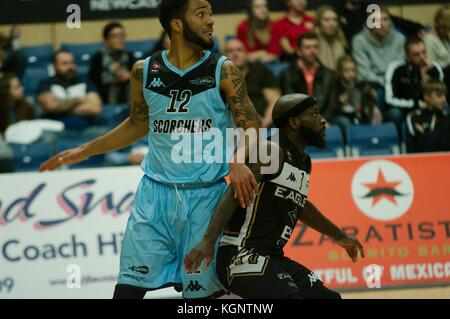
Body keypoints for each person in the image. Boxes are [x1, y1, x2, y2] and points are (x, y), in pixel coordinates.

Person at [39, 0, 260, 299]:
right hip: (154, 197)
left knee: (200, 300)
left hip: (206, 199)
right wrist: (85, 150)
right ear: (176, 24)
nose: (211, 21)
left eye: (210, 13)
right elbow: (137, 124)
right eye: (201, 14)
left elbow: (252, 125)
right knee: (127, 291)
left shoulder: (223, 70)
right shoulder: (144, 71)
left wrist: (237, 158)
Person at [184, 93, 365, 299]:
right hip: (241, 254)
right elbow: (233, 192)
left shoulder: (304, 161)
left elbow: (300, 206)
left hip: (272, 257)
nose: (322, 120)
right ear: (294, 122)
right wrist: (208, 240)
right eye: (314, 114)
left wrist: (338, 235)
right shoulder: (270, 150)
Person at [36, 49, 103, 136]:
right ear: (55, 66)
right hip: (56, 131)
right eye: (65, 63)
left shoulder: (85, 81)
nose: (70, 67)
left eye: (72, 62)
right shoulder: (46, 83)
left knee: (104, 135)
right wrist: (79, 100)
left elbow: (95, 108)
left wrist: (60, 107)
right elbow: (50, 106)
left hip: (86, 129)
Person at [384, 37, 444, 127]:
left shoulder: (434, 68)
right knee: (394, 113)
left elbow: (440, 96)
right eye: (416, 55)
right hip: (404, 108)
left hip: (429, 107)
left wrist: (426, 80)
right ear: (407, 57)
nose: (422, 57)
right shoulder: (395, 68)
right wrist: (417, 104)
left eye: (424, 52)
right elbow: (389, 99)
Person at [224, 38, 281, 128]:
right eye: (230, 51)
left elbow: (274, 100)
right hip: (232, 124)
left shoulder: (260, 70)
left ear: (246, 54)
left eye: (239, 50)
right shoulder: (219, 74)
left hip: (262, 123)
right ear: (224, 56)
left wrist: (265, 123)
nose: (235, 54)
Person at [280, 33, 333, 115]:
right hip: (297, 119)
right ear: (299, 51)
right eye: (308, 47)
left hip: (322, 118)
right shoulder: (287, 73)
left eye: (315, 47)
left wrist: (321, 119)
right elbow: (290, 102)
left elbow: (331, 104)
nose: (313, 51)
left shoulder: (328, 74)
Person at [351, 6, 405, 88]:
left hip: (395, 83)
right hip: (370, 84)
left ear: (390, 22)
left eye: (385, 19)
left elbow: (398, 67)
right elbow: (364, 73)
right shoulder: (359, 41)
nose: (382, 24)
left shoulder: (399, 39)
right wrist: (384, 82)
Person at [327, 55, 382, 130]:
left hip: (357, 115)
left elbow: (367, 106)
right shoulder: (335, 87)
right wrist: (340, 101)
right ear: (339, 72)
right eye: (346, 71)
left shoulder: (360, 86)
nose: (351, 74)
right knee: (345, 122)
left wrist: (371, 96)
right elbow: (329, 111)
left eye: (353, 70)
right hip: (340, 117)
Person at [88, 22, 135, 104]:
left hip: (127, 95)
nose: (120, 39)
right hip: (105, 96)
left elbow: (138, 77)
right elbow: (93, 80)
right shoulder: (99, 57)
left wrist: (130, 76)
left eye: (122, 35)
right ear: (106, 40)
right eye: (115, 36)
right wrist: (114, 78)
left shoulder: (129, 56)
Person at [406, 80, 449, 153]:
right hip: (422, 159)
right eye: (439, 95)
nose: (444, 99)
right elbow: (421, 142)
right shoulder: (415, 117)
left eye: (444, 95)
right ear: (426, 96)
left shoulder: (446, 116)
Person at [314, 5, 347, 71]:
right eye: (326, 20)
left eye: (335, 20)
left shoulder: (341, 42)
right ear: (319, 23)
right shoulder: (314, 43)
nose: (332, 24)